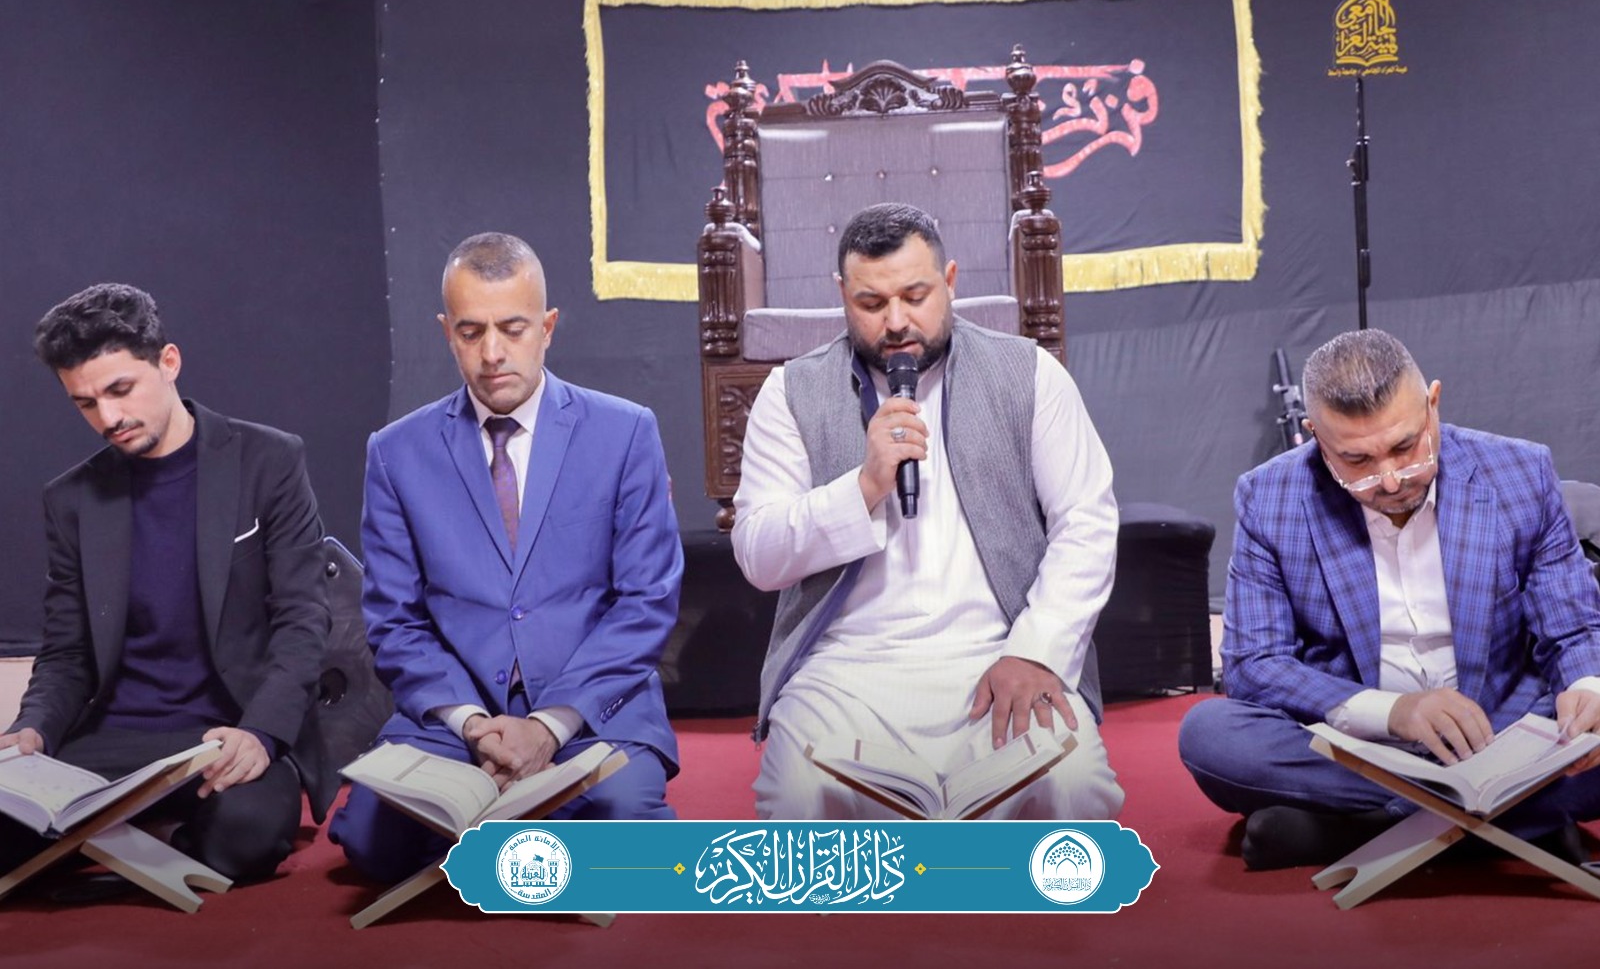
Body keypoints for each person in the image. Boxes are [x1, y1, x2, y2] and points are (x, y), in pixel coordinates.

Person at [733, 202, 1124, 820]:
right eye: (871, 303)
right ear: (842, 295)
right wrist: (864, 486)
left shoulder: (1030, 374)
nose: (895, 322)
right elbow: (759, 556)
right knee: (797, 801)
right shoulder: (790, 392)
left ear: (950, 280)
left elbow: (1087, 522)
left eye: (915, 296)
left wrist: (1037, 651)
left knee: (1076, 792)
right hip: (844, 672)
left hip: (998, 652)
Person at [329, 232, 682, 883]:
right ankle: (534, 836)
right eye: (471, 332)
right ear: (447, 332)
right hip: (453, 720)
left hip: (593, 712)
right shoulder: (396, 452)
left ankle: (498, 833)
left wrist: (547, 727)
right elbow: (395, 622)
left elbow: (647, 604)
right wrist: (474, 726)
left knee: (626, 818)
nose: (492, 353)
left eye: (513, 329)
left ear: (547, 328)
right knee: (371, 840)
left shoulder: (625, 432)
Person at [1179, 328, 1600, 869]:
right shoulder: (1270, 496)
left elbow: (1572, 628)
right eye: (1357, 460)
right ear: (1315, 437)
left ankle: (1355, 832)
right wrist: (1394, 713)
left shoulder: (1520, 472)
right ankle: (1508, 822)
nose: (1391, 479)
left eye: (1405, 447)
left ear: (1433, 405)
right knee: (1211, 736)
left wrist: (1587, 689)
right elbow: (1254, 665)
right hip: (1359, 748)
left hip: (1505, 734)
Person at [1, 283, 334, 883]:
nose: (108, 418)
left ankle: (109, 849)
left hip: (226, 733)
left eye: (120, 389)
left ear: (169, 362)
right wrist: (32, 729)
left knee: (249, 836)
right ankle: (147, 845)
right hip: (113, 740)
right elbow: (67, 653)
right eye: (85, 403)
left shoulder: (270, 460)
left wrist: (261, 733)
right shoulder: (71, 499)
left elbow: (302, 621)